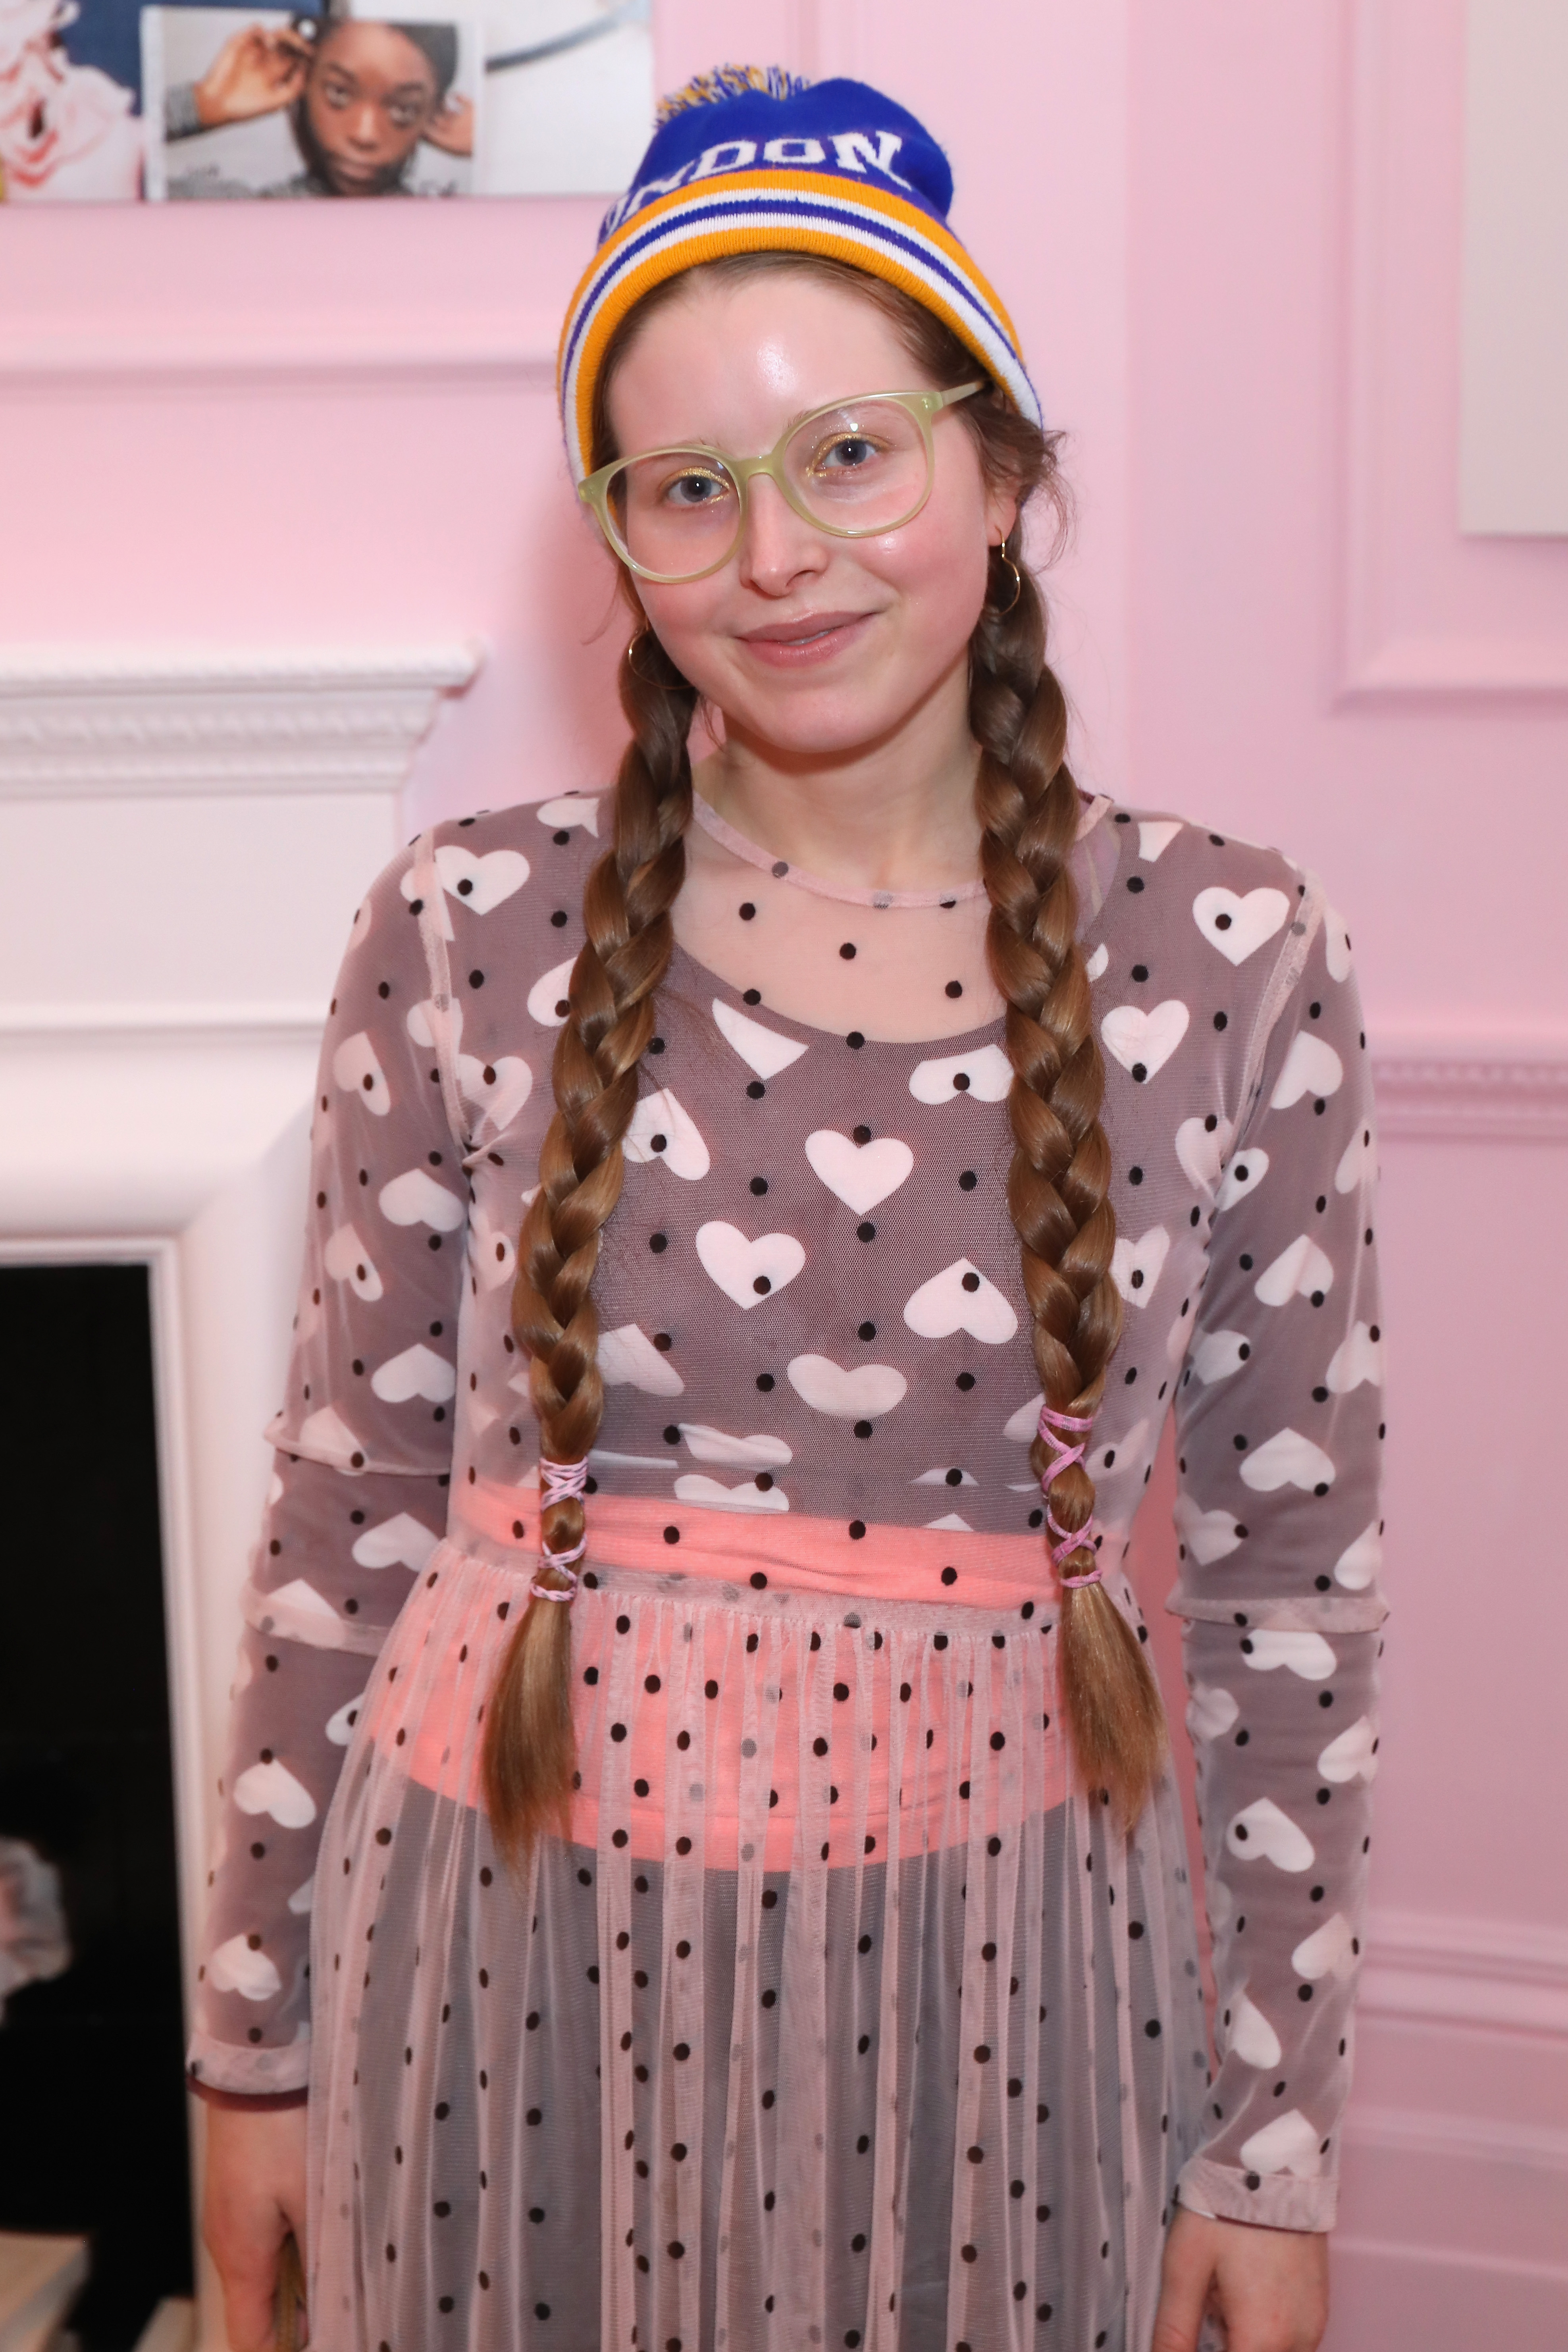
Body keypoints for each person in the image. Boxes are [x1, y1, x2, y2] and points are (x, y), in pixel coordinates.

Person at [192, 64, 1387, 2352]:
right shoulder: (467, 927)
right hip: (498, 1979)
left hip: (1005, 2008)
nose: (774, 555)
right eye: (688, 488)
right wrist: (252, 2044)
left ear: (1001, 468)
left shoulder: (1229, 956)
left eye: (850, 452)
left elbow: (1288, 1598)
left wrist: (1266, 2143)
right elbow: (347, 1507)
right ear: (621, 547)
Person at [163, 13, 471, 199]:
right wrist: (200, 103)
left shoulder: (455, 223)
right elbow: (133, 193)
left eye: (403, 109)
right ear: (304, 84)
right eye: (339, 93)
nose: (364, 135)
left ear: (433, 112)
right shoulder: (242, 211)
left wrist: (488, 143)